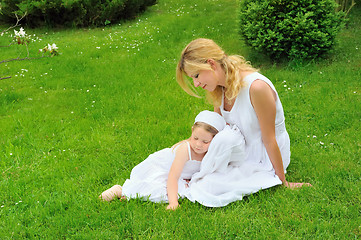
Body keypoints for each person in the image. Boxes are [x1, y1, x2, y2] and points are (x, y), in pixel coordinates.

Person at [176, 38, 312, 189]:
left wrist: (282, 181)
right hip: (239, 146)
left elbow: (269, 139)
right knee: (178, 164)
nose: (196, 84)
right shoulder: (219, 87)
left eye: (196, 76)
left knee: (213, 187)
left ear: (211, 64)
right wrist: (190, 149)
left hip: (264, 154)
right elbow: (216, 132)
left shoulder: (256, 88)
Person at [99, 110, 226, 210]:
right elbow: (172, 177)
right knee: (159, 191)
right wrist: (173, 203)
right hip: (163, 168)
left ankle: (130, 195)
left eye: (205, 141)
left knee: (186, 191)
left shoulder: (211, 153)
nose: (198, 145)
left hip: (180, 175)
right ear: (192, 131)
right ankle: (122, 190)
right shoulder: (185, 150)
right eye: (195, 138)